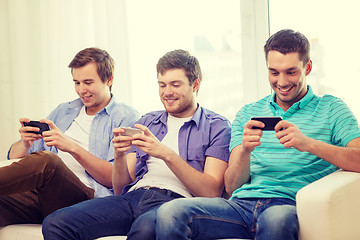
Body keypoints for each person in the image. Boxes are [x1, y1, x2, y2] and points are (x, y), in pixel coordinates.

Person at [155, 29, 360, 240]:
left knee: (275, 220)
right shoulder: (248, 113)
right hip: (241, 206)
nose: (281, 82)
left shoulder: (331, 108)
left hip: (288, 205)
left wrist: (308, 144)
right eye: (274, 72)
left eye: (291, 72)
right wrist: (245, 151)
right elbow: (232, 185)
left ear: (307, 68)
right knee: (171, 213)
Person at [42, 49, 232, 240]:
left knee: (144, 230)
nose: (167, 92)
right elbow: (120, 186)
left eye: (175, 84)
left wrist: (166, 154)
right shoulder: (148, 121)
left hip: (174, 203)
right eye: (162, 85)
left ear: (195, 84)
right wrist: (119, 156)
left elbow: (211, 192)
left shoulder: (216, 126)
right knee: (57, 223)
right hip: (132, 197)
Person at [1, 47, 140, 226]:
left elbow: (116, 180)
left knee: (48, 162)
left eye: (88, 82)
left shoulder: (126, 117)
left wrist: (72, 147)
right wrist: (26, 144)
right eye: (77, 82)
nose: (82, 90)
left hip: (84, 199)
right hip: (42, 195)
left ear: (109, 79)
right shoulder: (64, 111)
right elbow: (14, 156)